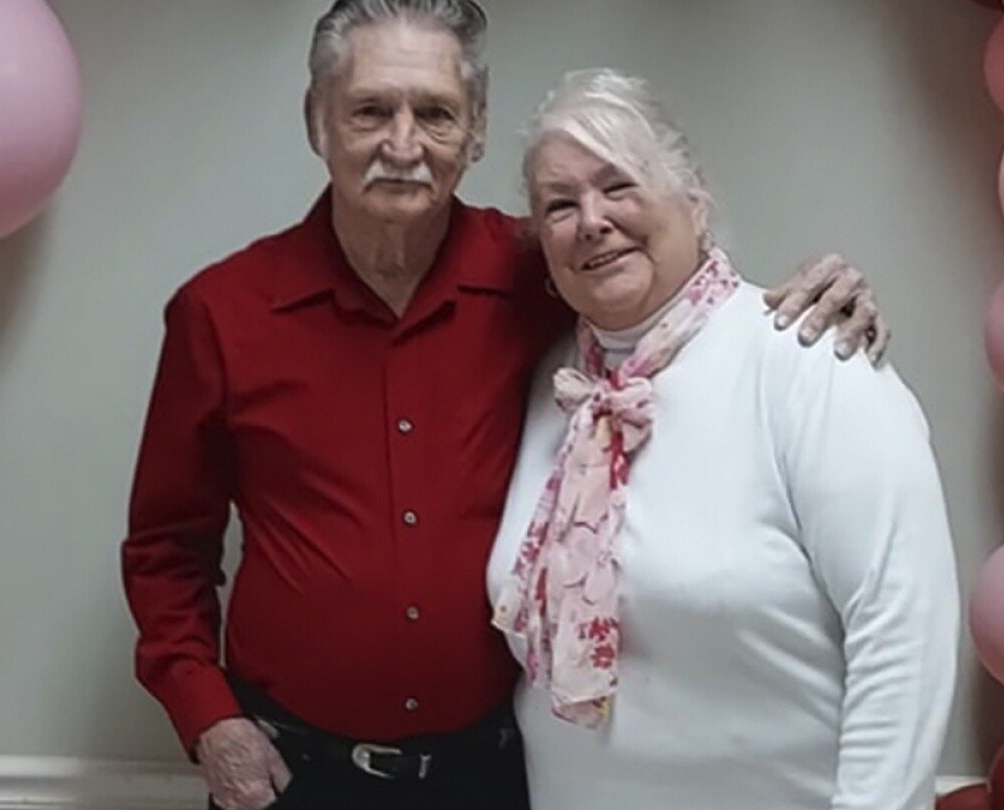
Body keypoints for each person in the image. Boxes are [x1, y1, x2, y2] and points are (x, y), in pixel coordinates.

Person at [121, 3, 888, 809]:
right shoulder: (222, 313)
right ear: (318, 121)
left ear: (477, 130)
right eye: (372, 110)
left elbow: (677, 308)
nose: (404, 145)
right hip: (290, 773)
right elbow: (165, 550)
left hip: (493, 774)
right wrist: (208, 719)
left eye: (437, 114)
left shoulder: (545, 275)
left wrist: (808, 301)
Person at [487, 68, 959, 810]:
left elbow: (903, 628)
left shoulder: (806, 360)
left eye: (619, 185)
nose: (591, 219)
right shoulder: (551, 385)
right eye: (559, 204)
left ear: (694, 196)